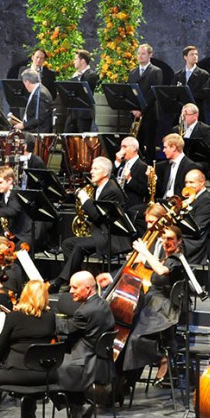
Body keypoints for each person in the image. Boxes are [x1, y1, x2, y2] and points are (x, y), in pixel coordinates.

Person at [102, 224, 187, 385]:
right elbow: (154, 265)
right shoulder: (165, 258)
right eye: (164, 238)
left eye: (170, 239)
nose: (166, 242)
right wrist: (139, 258)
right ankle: (121, 381)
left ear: (179, 241)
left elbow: (161, 271)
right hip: (151, 302)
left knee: (136, 338)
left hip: (165, 308)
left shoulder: (177, 260)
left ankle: (162, 357)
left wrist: (145, 252)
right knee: (126, 336)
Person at [0, 279, 57, 418]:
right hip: (44, 374)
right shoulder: (50, 316)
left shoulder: (14, 316)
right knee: (29, 384)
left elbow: (1, 345)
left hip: (17, 374)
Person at [48, 157, 127, 293]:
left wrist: (85, 199)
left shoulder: (111, 191)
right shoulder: (100, 188)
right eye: (92, 168)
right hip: (99, 233)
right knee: (67, 244)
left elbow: (97, 216)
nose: (91, 171)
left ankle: (62, 280)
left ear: (105, 173)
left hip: (110, 236)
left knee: (79, 246)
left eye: (95, 168)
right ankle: (74, 280)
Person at [56, 270, 115, 418]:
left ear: (88, 289)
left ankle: (77, 404)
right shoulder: (102, 303)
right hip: (101, 358)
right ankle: (78, 403)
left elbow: (67, 329)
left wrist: (45, 317)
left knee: (50, 369)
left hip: (87, 360)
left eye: (75, 288)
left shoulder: (84, 312)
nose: (71, 292)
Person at [128, 43, 163, 161]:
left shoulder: (156, 71)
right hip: (135, 114)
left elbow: (153, 93)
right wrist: (133, 108)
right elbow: (130, 91)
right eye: (138, 53)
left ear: (150, 55)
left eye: (143, 54)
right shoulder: (133, 72)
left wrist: (141, 109)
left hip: (149, 113)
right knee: (136, 143)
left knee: (149, 145)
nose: (140, 56)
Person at [179, 169, 210, 265]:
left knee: (168, 241)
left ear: (202, 183)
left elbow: (197, 228)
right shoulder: (190, 198)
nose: (188, 186)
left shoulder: (206, 200)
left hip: (195, 241)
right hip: (186, 236)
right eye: (186, 182)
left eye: (191, 182)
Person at [153, 133, 199, 200]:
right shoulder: (164, 166)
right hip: (162, 200)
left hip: (178, 203)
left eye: (165, 147)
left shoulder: (190, 166)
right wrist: (154, 178)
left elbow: (188, 192)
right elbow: (161, 190)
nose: (163, 150)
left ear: (173, 148)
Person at [64, 49, 98, 133]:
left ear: (82, 61)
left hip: (84, 115)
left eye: (76, 59)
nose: (74, 62)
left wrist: (75, 79)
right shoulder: (76, 75)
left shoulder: (91, 75)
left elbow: (83, 91)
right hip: (73, 113)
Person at [174, 45, 210, 121]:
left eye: (196, 54)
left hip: (196, 110)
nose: (195, 56)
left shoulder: (203, 74)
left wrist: (185, 95)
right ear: (185, 57)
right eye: (192, 54)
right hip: (181, 112)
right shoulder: (178, 75)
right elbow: (173, 92)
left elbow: (204, 93)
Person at [113, 136, 149, 209]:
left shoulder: (142, 166)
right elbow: (111, 176)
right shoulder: (122, 163)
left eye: (124, 147)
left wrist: (129, 179)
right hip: (118, 203)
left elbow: (144, 190)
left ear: (134, 148)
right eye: (121, 147)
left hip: (132, 205)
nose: (121, 151)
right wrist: (117, 162)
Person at [178, 103, 210, 172]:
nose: (183, 118)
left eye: (186, 114)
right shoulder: (176, 129)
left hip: (198, 160)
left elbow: (208, 151)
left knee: (189, 166)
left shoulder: (204, 129)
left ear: (196, 115)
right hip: (181, 159)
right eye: (182, 115)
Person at [14, 69, 53, 134]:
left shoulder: (41, 93)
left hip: (39, 133)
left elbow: (40, 117)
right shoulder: (38, 91)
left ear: (27, 82)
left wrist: (24, 125)